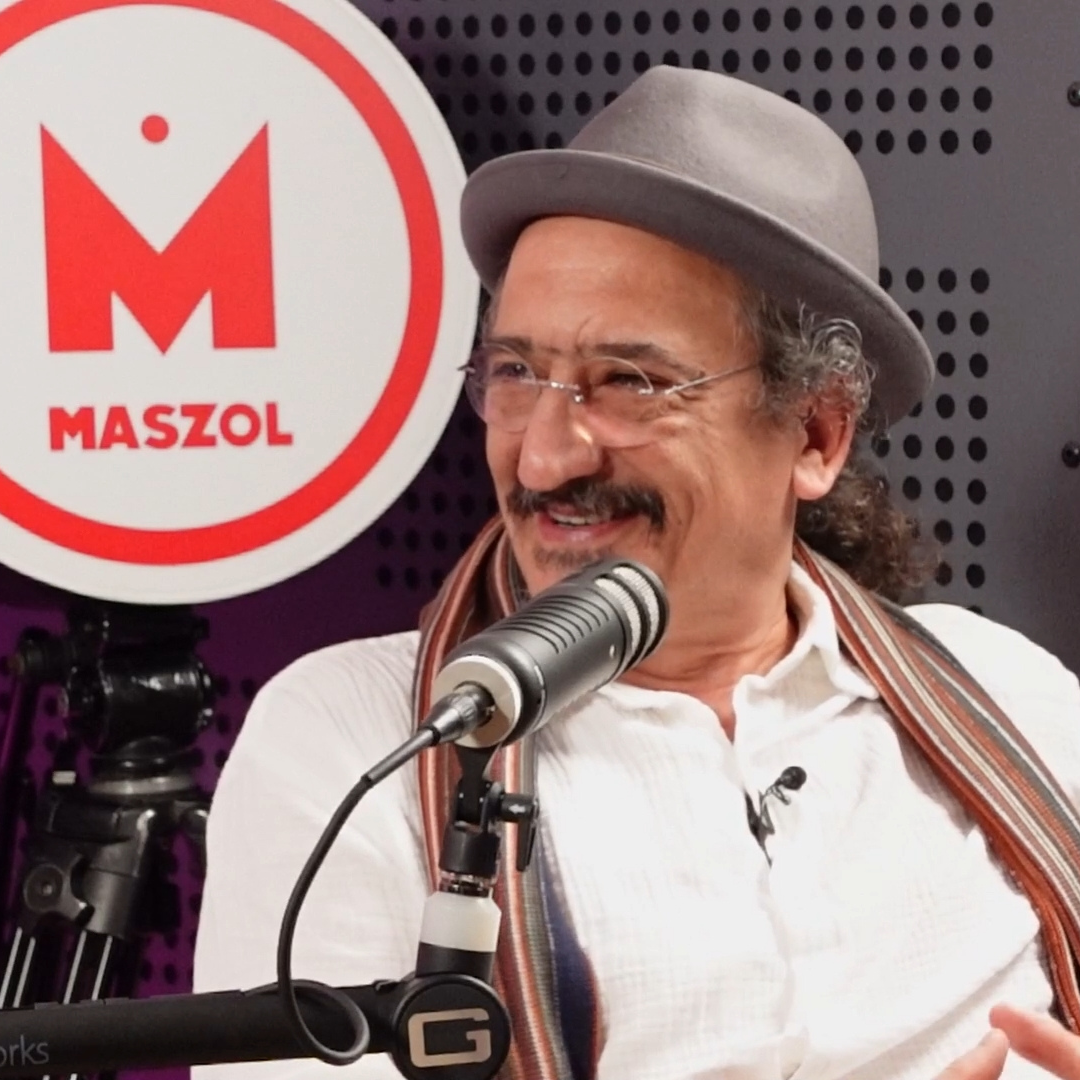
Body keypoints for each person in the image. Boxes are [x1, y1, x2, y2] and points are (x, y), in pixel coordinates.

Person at [193, 66, 1080, 1080]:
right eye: (516, 374)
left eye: (629, 382)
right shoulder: (354, 745)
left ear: (816, 432)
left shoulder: (1016, 701)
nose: (543, 458)